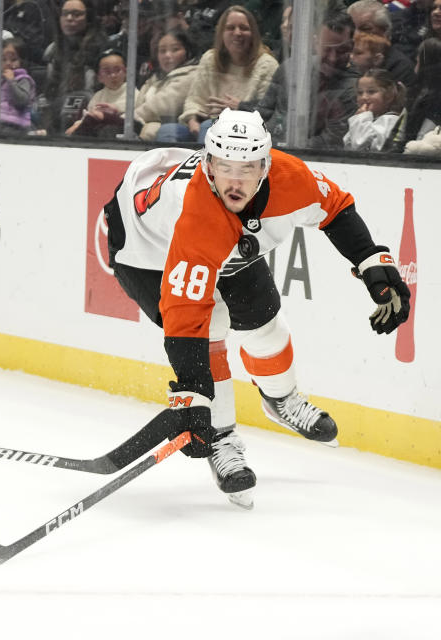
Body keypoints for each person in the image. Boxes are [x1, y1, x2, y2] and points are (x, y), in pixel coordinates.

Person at [102, 108, 410, 508]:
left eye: (246, 168)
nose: (235, 180)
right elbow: (185, 315)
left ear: (266, 165)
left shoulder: (291, 177)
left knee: (263, 320)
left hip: (222, 240)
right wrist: (195, 396)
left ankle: (280, 399)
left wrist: (370, 258)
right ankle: (223, 438)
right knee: (210, 321)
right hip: (144, 250)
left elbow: (335, 209)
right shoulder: (197, 215)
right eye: (225, 166)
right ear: (208, 164)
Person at [242, 11, 358, 148]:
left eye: (340, 50)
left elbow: (331, 141)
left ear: (351, 46)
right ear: (315, 42)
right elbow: (263, 112)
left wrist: (286, 148)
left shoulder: (355, 88)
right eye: (327, 50)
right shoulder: (292, 67)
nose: (332, 58)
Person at [162, 5, 278, 143]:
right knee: (167, 131)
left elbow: (266, 112)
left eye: (244, 28)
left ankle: (206, 165)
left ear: (254, 33)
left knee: (209, 127)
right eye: (230, 28)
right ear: (221, 33)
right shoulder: (209, 59)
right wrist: (192, 121)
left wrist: (241, 107)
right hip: (205, 124)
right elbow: (195, 100)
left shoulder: (267, 65)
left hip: (244, 134)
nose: (237, 33)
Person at [41, 0, 108, 133]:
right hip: (56, 119)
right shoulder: (52, 51)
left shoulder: (102, 49)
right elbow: (49, 92)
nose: (69, 18)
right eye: (65, 14)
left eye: (76, 14)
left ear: (88, 19)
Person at [134, 28, 199, 141]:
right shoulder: (153, 79)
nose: (167, 55)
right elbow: (138, 105)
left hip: (175, 130)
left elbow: (164, 104)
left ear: (187, 52)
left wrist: (128, 118)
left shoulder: (192, 74)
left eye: (175, 49)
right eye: (162, 51)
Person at [65, 47, 136, 137]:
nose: (113, 75)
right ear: (99, 77)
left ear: (126, 72)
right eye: (107, 72)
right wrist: (77, 125)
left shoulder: (131, 91)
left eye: (117, 70)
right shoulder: (98, 96)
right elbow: (89, 114)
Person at [394, 37, 441, 148]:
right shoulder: (415, 93)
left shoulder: (436, 100)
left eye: (418, 61)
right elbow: (397, 137)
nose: (415, 67)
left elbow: (423, 141)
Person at [343, 67, 406, 149]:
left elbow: (359, 145)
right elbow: (347, 146)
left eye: (371, 92)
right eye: (360, 93)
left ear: (389, 95)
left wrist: (361, 118)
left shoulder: (391, 120)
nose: (364, 97)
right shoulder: (367, 119)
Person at [0, 36, 37, 133]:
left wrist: (12, 82)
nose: (8, 63)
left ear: (22, 61)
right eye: (4, 59)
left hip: (14, 125)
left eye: (13, 60)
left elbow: (22, 101)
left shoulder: (23, 79)